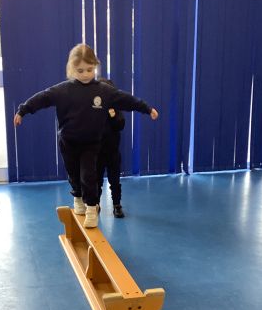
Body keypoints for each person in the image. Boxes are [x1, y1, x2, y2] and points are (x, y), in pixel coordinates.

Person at [13, 43, 158, 228]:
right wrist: (23, 110)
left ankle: (91, 209)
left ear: (95, 66)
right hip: (68, 142)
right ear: (72, 69)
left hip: (91, 143)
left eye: (90, 69)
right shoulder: (63, 90)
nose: (85, 74)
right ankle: (78, 198)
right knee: (74, 175)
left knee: (88, 176)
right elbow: (43, 98)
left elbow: (127, 100)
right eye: (80, 70)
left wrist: (147, 108)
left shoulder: (103, 91)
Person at [97, 78, 125, 218]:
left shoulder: (115, 109)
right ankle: (95, 204)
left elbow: (120, 125)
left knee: (115, 181)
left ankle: (117, 205)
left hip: (113, 153)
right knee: (96, 181)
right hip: (97, 153)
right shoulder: (94, 110)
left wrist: (113, 115)